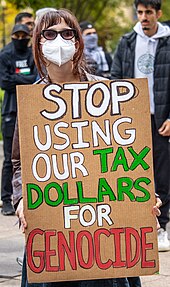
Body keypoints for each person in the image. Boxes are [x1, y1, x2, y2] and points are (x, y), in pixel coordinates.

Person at [11, 9, 161, 287]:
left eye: (67, 33)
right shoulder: (32, 102)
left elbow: (127, 153)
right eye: (50, 33)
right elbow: (20, 162)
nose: (59, 40)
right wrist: (21, 200)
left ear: (78, 42)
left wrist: (143, 197)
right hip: (56, 233)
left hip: (106, 238)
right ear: (39, 43)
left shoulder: (106, 93)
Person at [111, 0, 170, 252]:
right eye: (140, 12)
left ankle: (162, 227)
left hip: (161, 120)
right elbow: (114, 79)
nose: (143, 17)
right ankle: (134, 225)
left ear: (158, 13)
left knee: (162, 175)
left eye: (148, 12)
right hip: (131, 120)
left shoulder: (168, 42)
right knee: (131, 173)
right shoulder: (127, 41)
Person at [0, 24, 37, 215]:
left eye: (24, 35)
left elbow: (37, 79)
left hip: (30, 111)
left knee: (29, 157)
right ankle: (6, 199)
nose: (20, 38)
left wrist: (16, 78)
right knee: (10, 159)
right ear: (12, 37)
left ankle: (27, 197)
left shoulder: (33, 55)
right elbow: (4, 82)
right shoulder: (5, 55)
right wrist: (26, 79)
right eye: (17, 35)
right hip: (10, 112)